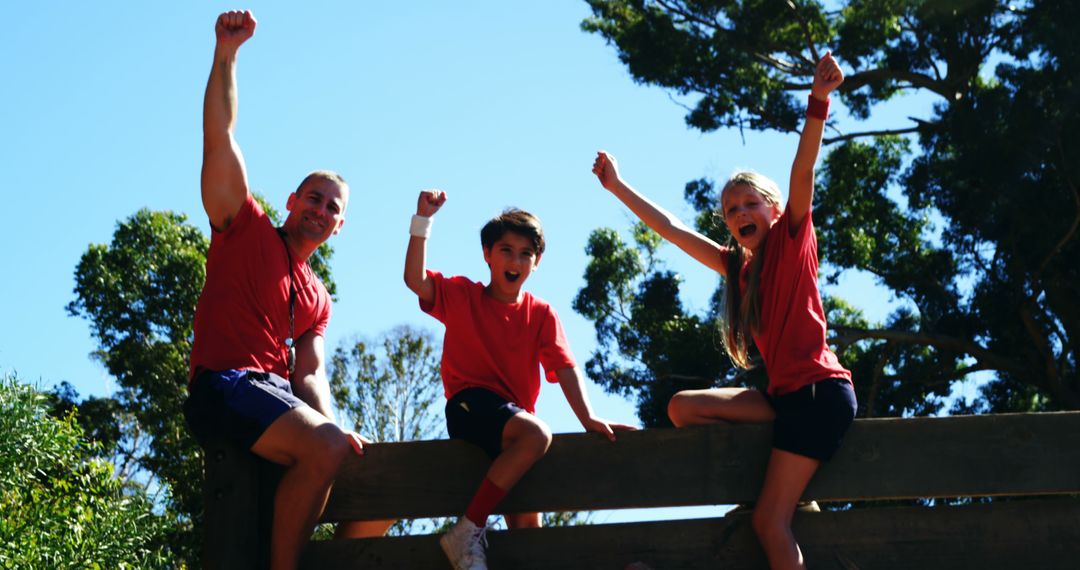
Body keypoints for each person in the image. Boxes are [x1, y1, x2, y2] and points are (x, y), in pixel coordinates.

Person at [592, 53, 857, 570]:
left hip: (820, 395)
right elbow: (670, 229)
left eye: (749, 204)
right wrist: (617, 187)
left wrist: (818, 101)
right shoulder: (736, 268)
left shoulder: (793, 239)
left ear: (775, 210)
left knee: (768, 521)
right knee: (680, 408)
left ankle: (784, 492)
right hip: (783, 401)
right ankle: (777, 475)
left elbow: (803, 169)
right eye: (730, 211)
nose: (739, 215)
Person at [182, 11, 381, 570]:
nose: (321, 210)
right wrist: (227, 54)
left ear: (338, 228)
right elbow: (219, 138)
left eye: (332, 208)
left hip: (276, 399)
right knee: (326, 447)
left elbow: (310, 374)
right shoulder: (242, 227)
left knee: (375, 473)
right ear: (292, 201)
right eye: (313, 198)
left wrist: (335, 425)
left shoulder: (317, 297)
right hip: (224, 387)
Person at [404, 190, 636, 570]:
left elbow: (565, 367)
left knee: (529, 527)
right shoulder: (463, 295)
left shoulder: (541, 314)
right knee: (537, 435)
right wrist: (422, 222)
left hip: (512, 427)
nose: (515, 260)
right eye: (506, 250)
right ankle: (467, 529)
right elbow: (415, 279)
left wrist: (588, 419)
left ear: (537, 262)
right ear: (487, 255)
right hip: (470, 407)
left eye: (525, 253)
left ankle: (474, 538)